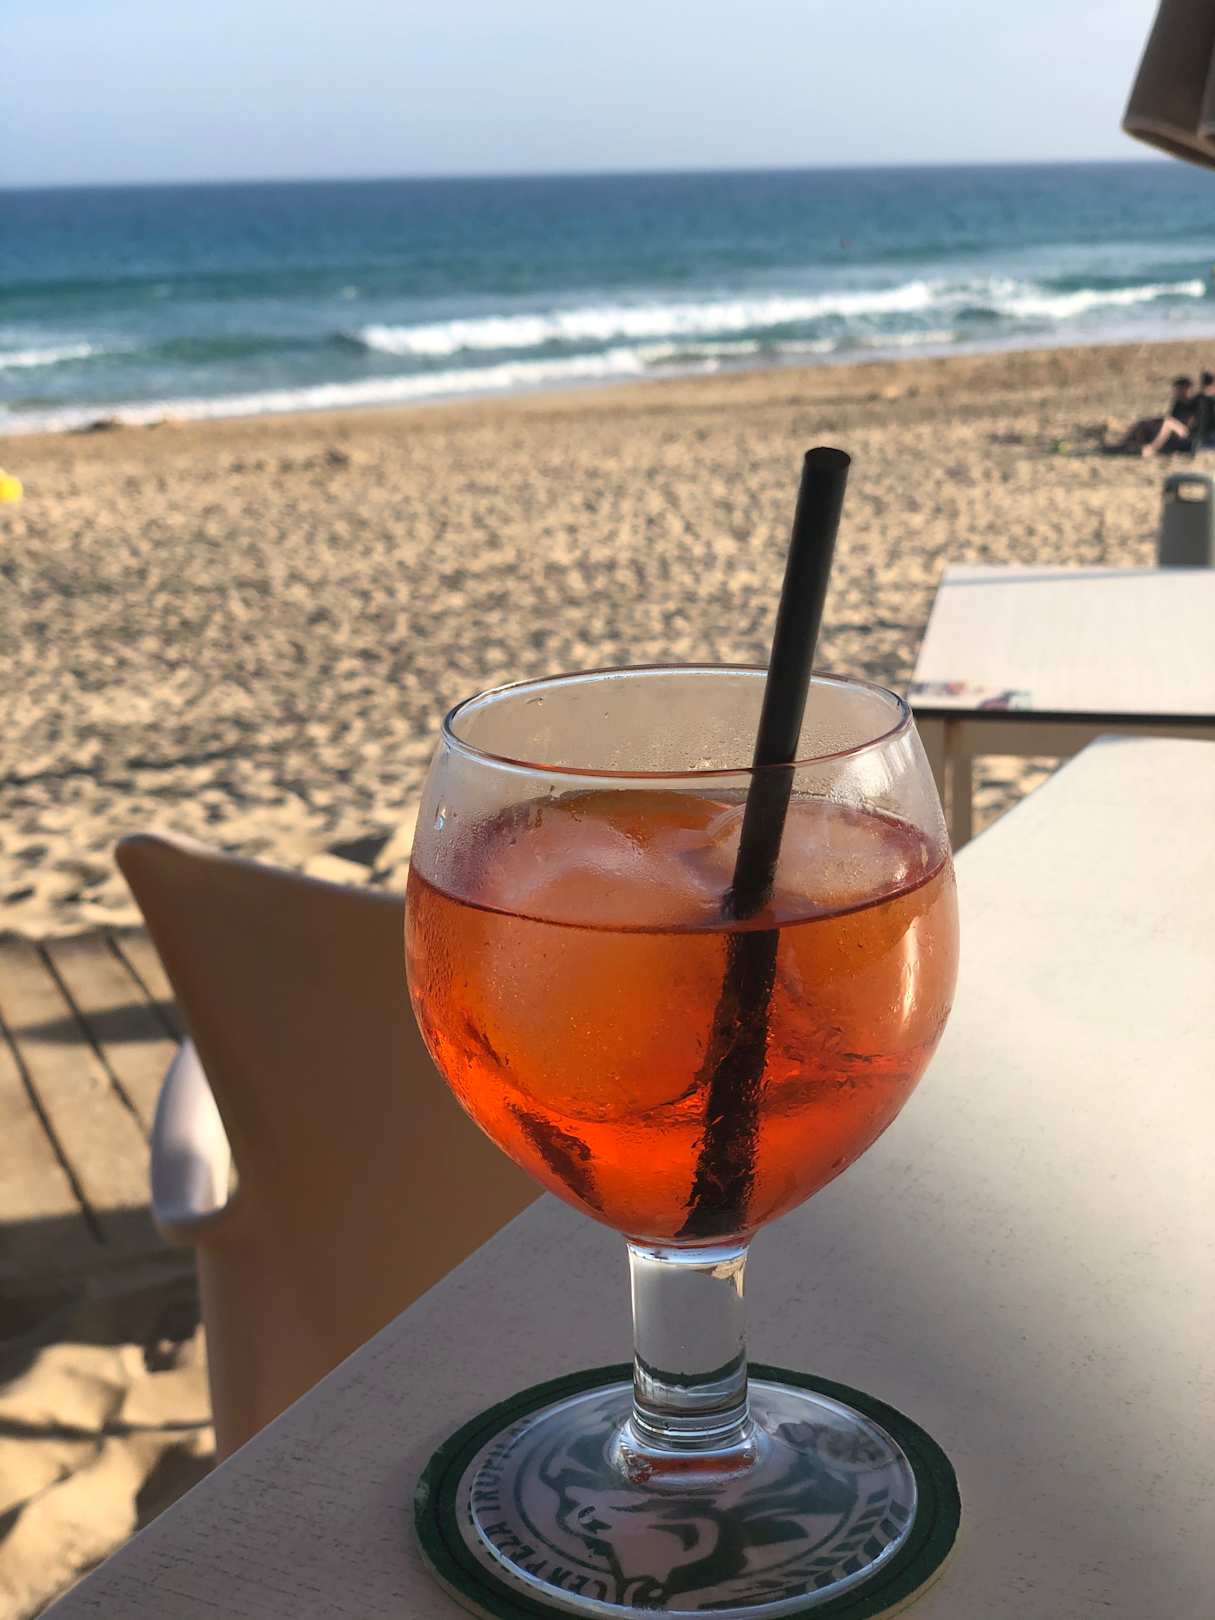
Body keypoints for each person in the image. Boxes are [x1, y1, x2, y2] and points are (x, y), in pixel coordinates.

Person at [1140, 375, 1197, 457]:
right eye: (1176, 389)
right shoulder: (1178, 404)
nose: (1176, 392)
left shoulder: (1197, 403)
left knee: (1168, 423)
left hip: (1190, 435)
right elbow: (1173, 419)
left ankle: (1152, 449)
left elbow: (1193, 425)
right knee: (1156, 422)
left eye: (1179, 389)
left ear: (1187, 389)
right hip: (1178, 432)